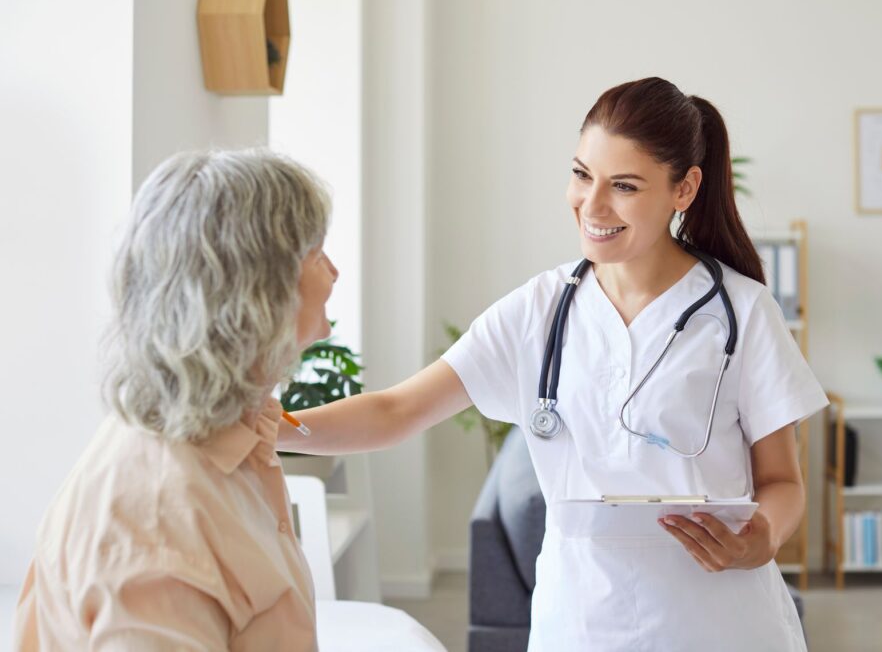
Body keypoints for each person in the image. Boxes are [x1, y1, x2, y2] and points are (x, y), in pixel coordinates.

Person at [279, 77, 827, 651]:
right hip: (583, 618)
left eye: (624, 186)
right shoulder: (538, 310)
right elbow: (396, 410)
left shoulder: (741, 311)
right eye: (581, 174)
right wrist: (269, 427)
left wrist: (762, 537)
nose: (592, 205)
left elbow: (781, 481)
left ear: (684, 189)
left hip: (718, 621)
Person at [15, 150, 339, 650]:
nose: (334, 272)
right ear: (260, 291)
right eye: (317, 254)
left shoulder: (226, 431)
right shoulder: (155, 525)